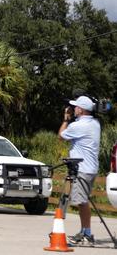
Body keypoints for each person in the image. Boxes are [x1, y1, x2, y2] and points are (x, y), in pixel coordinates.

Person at [58, 95, 101, 246]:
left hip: (82, 169)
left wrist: (66, 119)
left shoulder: (78, 126)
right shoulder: (95, 123)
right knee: (83, 201)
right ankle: (85, 232)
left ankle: (86, 234)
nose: (73, 108)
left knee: (81, 202)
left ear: (80, 110)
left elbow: (61, 136)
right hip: (90, 168)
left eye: (75, 107)